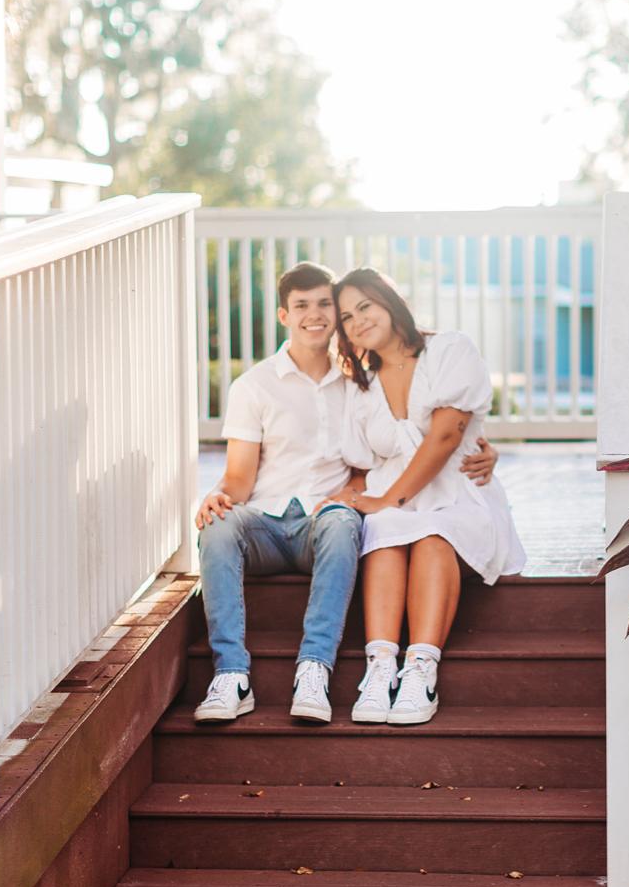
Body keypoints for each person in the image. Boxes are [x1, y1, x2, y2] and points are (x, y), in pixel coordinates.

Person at [195, 262, 498, 726]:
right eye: (303, 306)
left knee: (355, 522)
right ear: (284, 315)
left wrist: (478, 448)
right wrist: (216, 494)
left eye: (327, 305)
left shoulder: (359, 381)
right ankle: (233, 675)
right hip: (272, 519)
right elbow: (240, 477)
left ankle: (323, 671)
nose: (318, 315)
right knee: (221, 525)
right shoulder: (261, 385)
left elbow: (418, 443)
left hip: (341, 517)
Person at [334, 267, 525, 727]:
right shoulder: (361, 385)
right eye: (347, 317)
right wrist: (351, 498)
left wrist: (389, 499)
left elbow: (445, 437)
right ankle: (381, 667)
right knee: (383, 534)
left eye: (365, 306)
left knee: (432, 534)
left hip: (458, 494)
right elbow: (361, 465)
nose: (358, 320)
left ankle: (421, 670)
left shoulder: (449, 350)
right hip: (393, 498)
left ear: (389, 300)